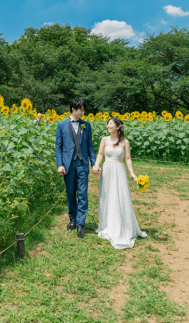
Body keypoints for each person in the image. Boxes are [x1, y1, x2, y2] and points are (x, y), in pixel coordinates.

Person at [92, 117, 147, 249]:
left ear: (118, 126)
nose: (108, 126)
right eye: (107, 124)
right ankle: (107, 224)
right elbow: (100, 154)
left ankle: (122, 225)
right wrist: (96, 165)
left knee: (120, 196)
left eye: (110, 124)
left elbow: (127, 158)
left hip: (119, 170)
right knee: (107, 196)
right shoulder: (104, 140)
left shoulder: (125, 142)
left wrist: (132, 173)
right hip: (107, 170)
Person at [55, 98, 96, 238]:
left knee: (83, 194)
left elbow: (90, 146)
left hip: (82, 163)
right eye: (81, 110)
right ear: (73, 109)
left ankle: (80, 224)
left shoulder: (87, 126)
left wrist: (94, 163)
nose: (83, 112)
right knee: (71, 193)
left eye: (84, 110)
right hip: (68, 163)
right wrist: (60, 164)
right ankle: (72, 218)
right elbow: (58, 146)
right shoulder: (61, 125)